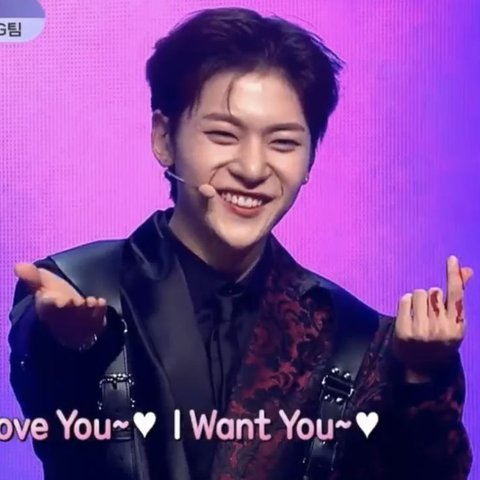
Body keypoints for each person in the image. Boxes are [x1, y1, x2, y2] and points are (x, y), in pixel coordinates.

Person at [8, 7, 473, 480]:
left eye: (283, 143)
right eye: (223, 135)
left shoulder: (354, 333)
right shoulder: (81, 285)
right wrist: (71, 344)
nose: (252, 169)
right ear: (164, 138)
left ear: (310, 158)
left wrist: (422, 377)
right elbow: (55, 412)